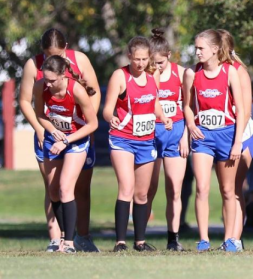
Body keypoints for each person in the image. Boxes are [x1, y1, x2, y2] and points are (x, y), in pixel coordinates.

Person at [18, 29, 101, 252]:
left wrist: (82, 127)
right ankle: (57, 239)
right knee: (54, 188)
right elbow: (29, 104)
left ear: (66, 49)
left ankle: (81, 237)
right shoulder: (35, 70)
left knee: (77, 188)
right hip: (49, 135)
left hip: (77, 134)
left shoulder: (79, 62)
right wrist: (42, 129)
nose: (51, 59)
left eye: (57, 54)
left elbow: (93, 94)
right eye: (47, 55)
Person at [104, 36, 173, 252]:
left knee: (142, 194)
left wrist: (163, 117)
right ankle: (120, 242)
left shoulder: (154, 76)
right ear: (129, 57)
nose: (140, 63)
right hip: (122, 138)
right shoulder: (120, 76)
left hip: (146, 140)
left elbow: (155, 104)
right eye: (136, 59)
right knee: (126, 187)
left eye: (144, 59)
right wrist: (110, 117)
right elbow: (107, 108)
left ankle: (140, 242)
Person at [182, 29, 246, 252]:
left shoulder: (229, 72)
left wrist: (238, 142)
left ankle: (229, 239)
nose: (197, 51)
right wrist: (191, 126)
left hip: (227, 135)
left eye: (201, 48)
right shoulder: (191, 73)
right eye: (196, 47)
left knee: (228, 190)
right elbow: (186, 107)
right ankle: (203, 239)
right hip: (203, 138)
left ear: (215, 49)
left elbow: (241, 110)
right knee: (202, 188)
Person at [34, 55, 99, 253]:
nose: (49, 84)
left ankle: (70, 243)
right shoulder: (40, 87)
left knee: (65, 188)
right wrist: (52, 131)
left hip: (76, 140)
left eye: (52, 80)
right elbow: (39, 114)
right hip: (55, 139)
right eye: (46, 79)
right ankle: (61, 237)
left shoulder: (76, 91)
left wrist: (65, 141)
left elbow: (93, 124)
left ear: (63, 76)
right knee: (53, 191)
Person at [146, 29, 191, 251]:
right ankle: (140, 239)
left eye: (160, 62)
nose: (157, 67)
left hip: (175, 135)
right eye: (152, 63)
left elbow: (189, 107)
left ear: (169, 56)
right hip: (151, 135)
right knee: (148, 189)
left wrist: (186, 136)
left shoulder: (181, 74)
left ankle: (173, 239)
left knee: (174, 188)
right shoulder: (145, 75)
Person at [219, 30, 253, 251]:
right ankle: (228, 238)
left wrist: (238, 140)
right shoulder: (210, 71)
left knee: (235, 189)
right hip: (222, 133)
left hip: (241, 134)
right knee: (226, 189)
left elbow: (246, 110)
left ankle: (235, 239)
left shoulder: (239, 72)